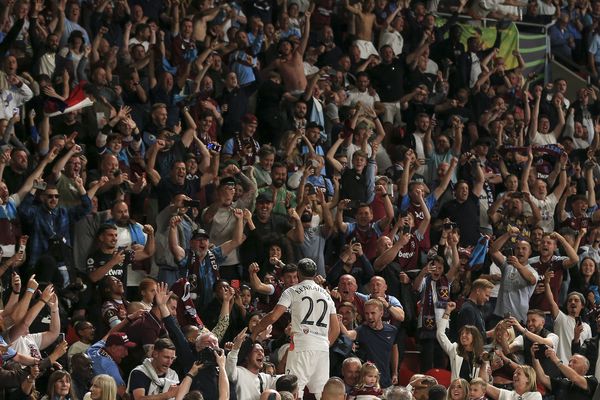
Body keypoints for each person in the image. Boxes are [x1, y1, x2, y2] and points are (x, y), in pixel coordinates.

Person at [252, 258, 340, 399]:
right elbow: (336, 330)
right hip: (322, 348)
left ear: (298, 273)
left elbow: (273, 316)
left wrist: (256, 330)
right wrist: (322, 344)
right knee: (321, 395)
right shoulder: (326, 295)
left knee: (293, 391)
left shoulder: (292, 291)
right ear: (315, 273)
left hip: (302, 346)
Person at [344, 299, 399, 388]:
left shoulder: (392, 330)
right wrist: (338, 321)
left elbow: (394, 351)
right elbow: (348, 335)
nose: (369, 317)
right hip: (366, 385)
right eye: (366, 313)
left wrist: (395, 372)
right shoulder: (362, 330)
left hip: (386, 382)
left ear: (381, 313)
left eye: (373, 313)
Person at [438, 302, 485, 382]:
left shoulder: (480, 355)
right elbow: (440, 334)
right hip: (457, 390)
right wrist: (447, 312)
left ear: (474, 337)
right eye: (462, 333)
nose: (463, 335)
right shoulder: (454, 349)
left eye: (467, 333)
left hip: (473, 392)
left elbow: (486, 380)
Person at [531, 345, 598, 400]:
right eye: (569, 362)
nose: (570, 364)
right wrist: (535, 358)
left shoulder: (591, 380)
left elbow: (575, 378)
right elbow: (543, 378)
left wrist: (556, 360)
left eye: (574, 362)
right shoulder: (563, 382)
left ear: (585, 368)